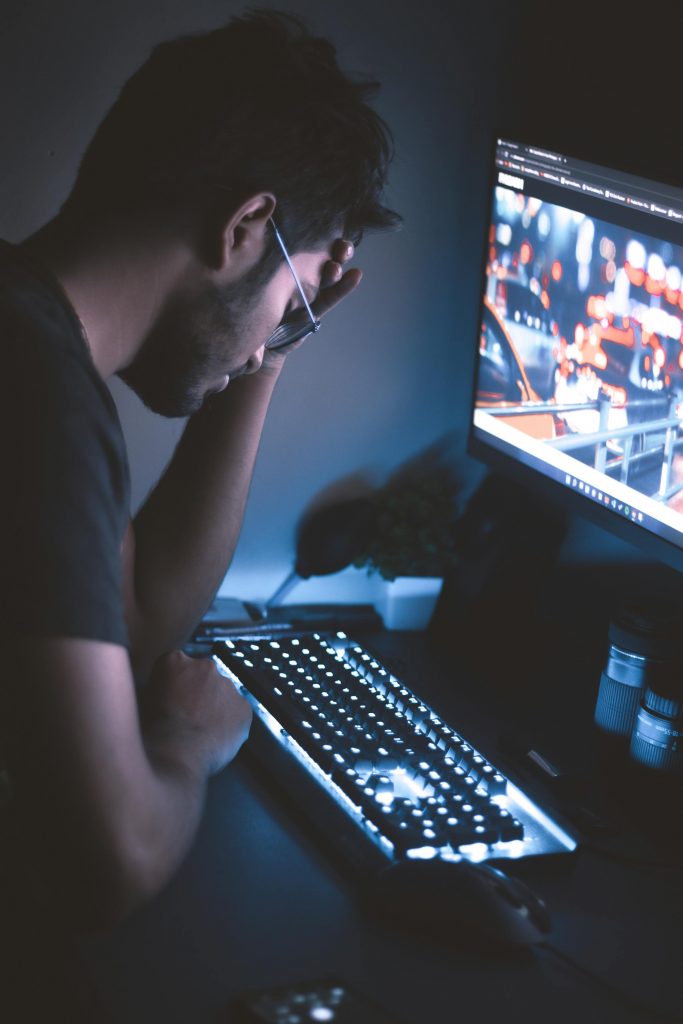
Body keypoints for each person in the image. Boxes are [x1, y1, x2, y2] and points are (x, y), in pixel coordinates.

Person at [0, 7, 399, 939]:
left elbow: (136, 620)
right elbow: (111, 861)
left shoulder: (41, 348)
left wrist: (273, 347)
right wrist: (186, 745)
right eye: (293, 301)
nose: (277, 332)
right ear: (245, 226)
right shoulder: (37, 400)